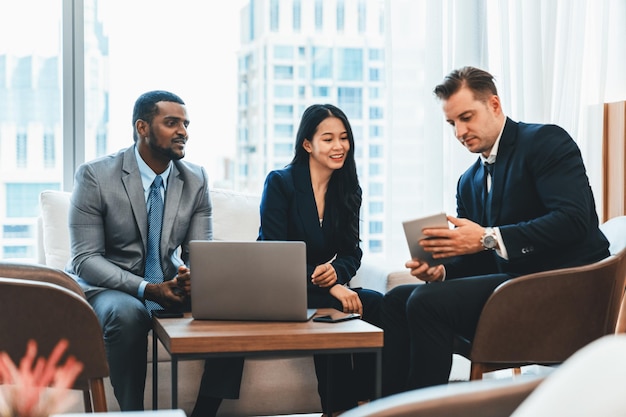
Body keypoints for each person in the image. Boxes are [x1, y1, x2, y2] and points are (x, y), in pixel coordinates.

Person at [380, 66, 610, 395]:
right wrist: (442, 271)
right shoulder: (469, 181)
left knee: (425, 303)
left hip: (565, 289)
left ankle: (422, 410)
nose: (460, 131)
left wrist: (488, 236)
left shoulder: (545, 141)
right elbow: (483, 260)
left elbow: (573, 219)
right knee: (397, 299)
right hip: (512, 288)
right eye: (452, 123)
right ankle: (389, 406)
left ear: (495, 105)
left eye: (467, 117)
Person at [192, 104, 383, 416]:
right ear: (307, 144)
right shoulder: (281, 182)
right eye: (328, 138)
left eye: (344, 138)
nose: (339, 146)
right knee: (335, 305)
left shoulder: (349, 190)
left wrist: (336, 271)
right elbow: (273, 251)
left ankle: (361, 404)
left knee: (374, 303)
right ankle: (204, 411)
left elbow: (352, 252)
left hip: (313, 290)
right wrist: (333, 287)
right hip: (272, 285)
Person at [66, 90, 213, 410]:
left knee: (232, 310)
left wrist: (191, 278)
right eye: (172, 122)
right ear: (142, 127)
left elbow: (202, 252)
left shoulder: (196, 178)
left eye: (186, 124)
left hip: (166, 284)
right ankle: (133, 414)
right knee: (127, 314)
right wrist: (149, 289)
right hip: (110, 286)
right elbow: (85, 259)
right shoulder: (96, 176)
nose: (183, 132)